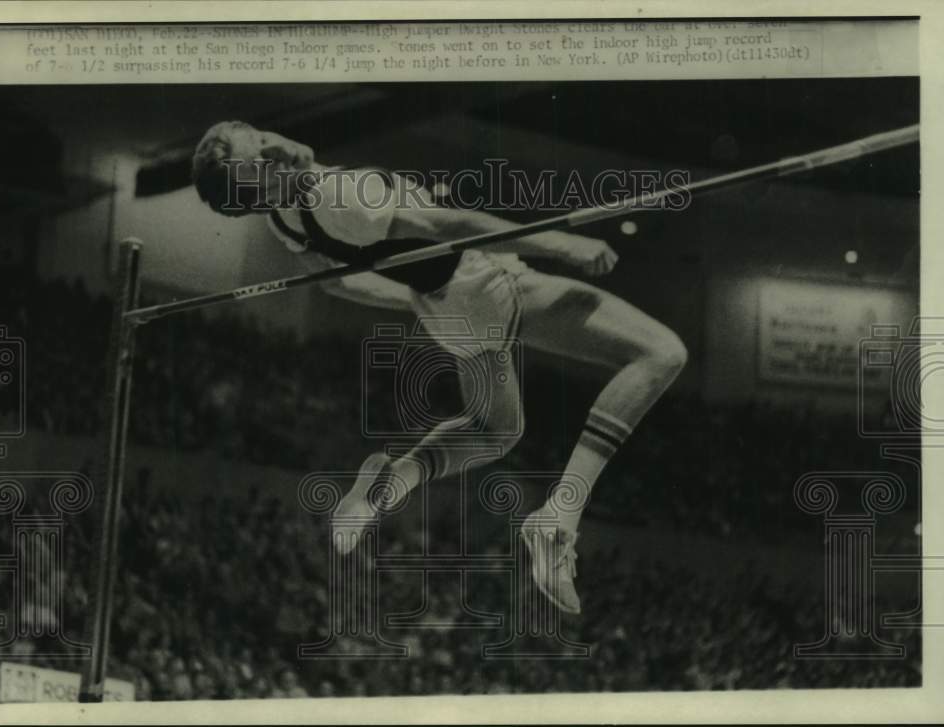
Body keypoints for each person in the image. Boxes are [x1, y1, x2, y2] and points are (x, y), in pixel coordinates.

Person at [191, 120, 687, 614]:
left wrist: (415, 300)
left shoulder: (284, 216)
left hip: (446, 309)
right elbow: (452, 227)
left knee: (496, 430)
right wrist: (561, 243)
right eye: (258, 152)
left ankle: (391, 482)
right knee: (660, 353)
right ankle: (561, 516)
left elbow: (336, 283)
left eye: (260, 137)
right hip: (484, 281)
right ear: (259, 180)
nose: (269, 145)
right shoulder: (340, 195)